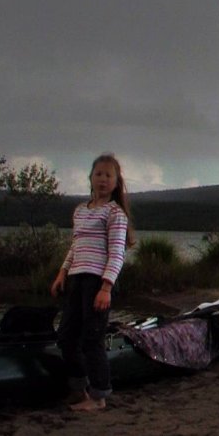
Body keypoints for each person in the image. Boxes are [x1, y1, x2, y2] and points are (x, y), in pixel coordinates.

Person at [49, 153, 135, 411]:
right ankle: (78, 390)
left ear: (117, 182)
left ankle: (99, 397)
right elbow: (75, 245)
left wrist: (106, 287)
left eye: (109, 175)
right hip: (76, 279)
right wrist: (62, 273)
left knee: (92, 339)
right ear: (91, 177)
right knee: (66, 337)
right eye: (99, 174)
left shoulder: (115, 213)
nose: (103, 179)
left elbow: (118, 252)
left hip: (98, 281)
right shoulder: (80, 211)